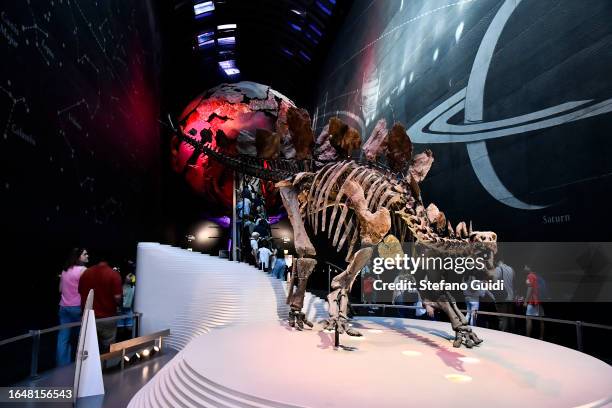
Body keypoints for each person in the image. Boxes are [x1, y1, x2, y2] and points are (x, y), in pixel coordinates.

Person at [78, 260, 122, 353]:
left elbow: (80, 291)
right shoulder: (113, 275)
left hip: (88, 317)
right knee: (108, 347)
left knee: (88, 347)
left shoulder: (86, 273)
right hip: (107, 317)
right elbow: (117, 297)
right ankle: (105, 366)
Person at [56, 248, 89, 366]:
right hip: (77, 308)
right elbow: (89, 290)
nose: (87, 255)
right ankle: (81, 365)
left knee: (63, 338)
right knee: (82, 338)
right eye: (85, 254)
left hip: (64, 307)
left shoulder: (65, 271)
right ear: (78, 256)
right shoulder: (83, 270)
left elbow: (60, 289)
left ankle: (62, 366)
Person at [492, 257, 515, 332]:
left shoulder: (498, 269)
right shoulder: (511, 269)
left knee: (503, 317)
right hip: (511, 296)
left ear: (497, 261)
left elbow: (494, 281)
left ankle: (503, 333)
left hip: (503, 296)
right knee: (511, 316)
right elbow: (513, 282)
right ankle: (513, 332)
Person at [524, 265, 545, 340]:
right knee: (541, 319)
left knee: (528, 319)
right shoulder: (537, 275)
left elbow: (530, 288)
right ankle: (541, 337)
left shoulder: (530, 275)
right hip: (539, 300)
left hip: (533, 300)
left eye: (525, 266)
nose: (524, 268)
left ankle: (528, 338)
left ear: (529, 267)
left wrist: (526, 301)